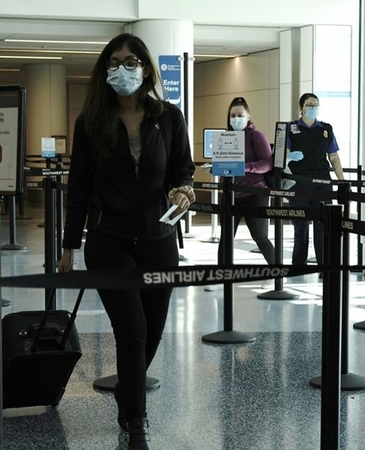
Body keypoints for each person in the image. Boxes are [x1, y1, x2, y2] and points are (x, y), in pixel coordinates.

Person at [58, 33, 195, 450]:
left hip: (159, 239)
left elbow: (182, 169)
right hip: (109, 241)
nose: (123, 68)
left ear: (146, 68)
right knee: (132, 330)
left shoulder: (168, 117)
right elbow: (79, 187)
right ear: (105, 70)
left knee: (152, 332)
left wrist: (183, 190)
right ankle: (136, 419)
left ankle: (127, 389)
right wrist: (69, 244)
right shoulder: (90, 122)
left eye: (131, 61)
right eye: (114, 62)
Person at [285, 93, 344, 266]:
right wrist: (289, 157)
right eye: (310, 105)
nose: (313, 108)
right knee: (300, 226)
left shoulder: (326, 129)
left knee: (323, 226)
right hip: (298, 182)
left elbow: (334, 157)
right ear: (301, 108)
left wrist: (341, 180)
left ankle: (324, 265)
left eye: (316, 104)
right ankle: (298, 265)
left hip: (322, 183)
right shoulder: (290, 128)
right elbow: (283, 155)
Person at [217, 96, 275, 265]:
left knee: (260, 236)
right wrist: (216, 168)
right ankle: (221, 274)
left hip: (254, 193)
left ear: (248, 116)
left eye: (240, 115)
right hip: (231, 194)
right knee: (226, 237)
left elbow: (267, 164)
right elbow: (225, 166)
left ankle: (279, 271)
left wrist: (244, 167)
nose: (236, 119)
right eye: (233, 115)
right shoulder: (226, 137)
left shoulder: (256, 136)